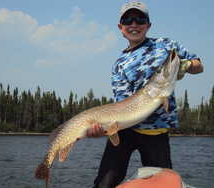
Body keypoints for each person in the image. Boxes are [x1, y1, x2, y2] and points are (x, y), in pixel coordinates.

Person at [87, 1, 204, 188]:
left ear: (148, 24)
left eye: (140, 19)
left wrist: (187, 65)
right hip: (125, 130)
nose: (134, 24)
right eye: (128, 20)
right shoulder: (119, 64)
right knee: (104, 183)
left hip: (155, 132)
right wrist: (102, 127)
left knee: (163, 184)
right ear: (121, 27)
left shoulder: (166, 45)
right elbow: (122, 102)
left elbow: (199, 65)